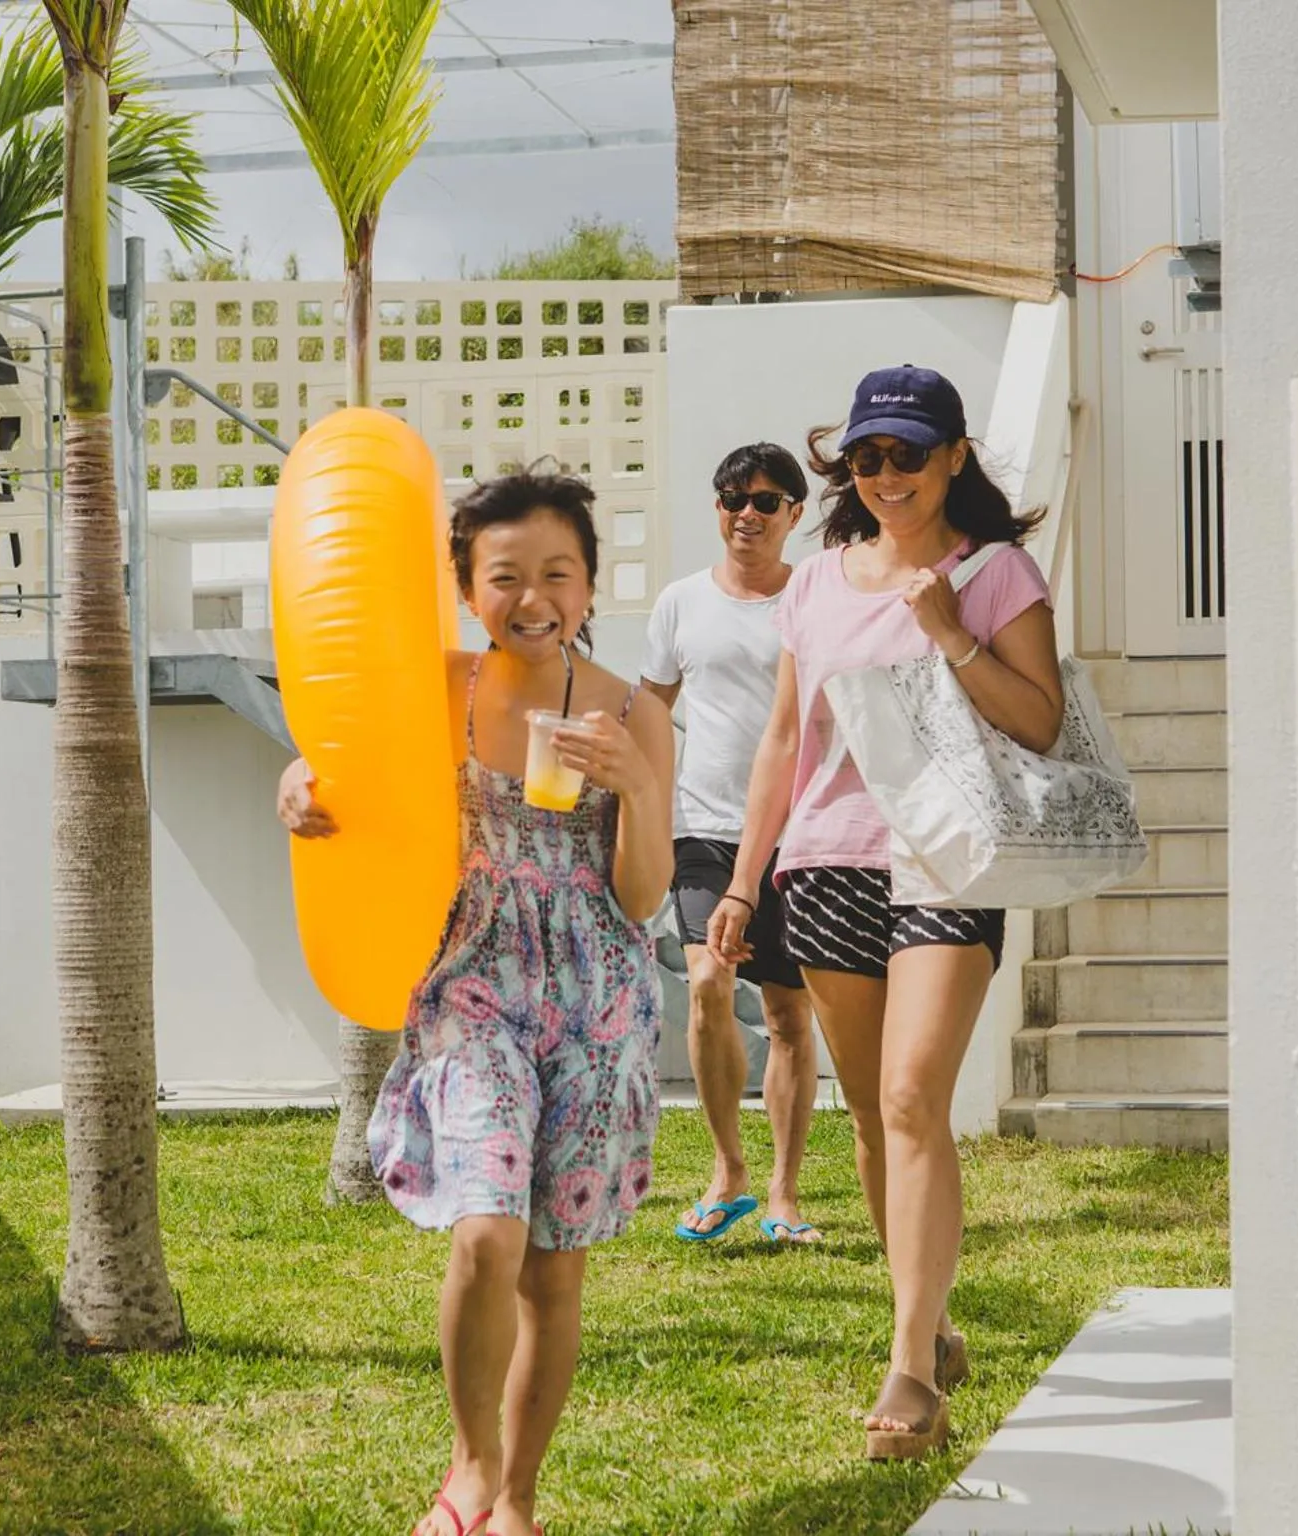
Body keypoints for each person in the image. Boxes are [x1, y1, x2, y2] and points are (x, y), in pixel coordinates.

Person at [275, 470, 674, 1536]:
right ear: (466, 588)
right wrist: (300, 777)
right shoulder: (438, 688)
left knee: (552, 1270)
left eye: (557, 573)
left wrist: (634, 783)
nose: (532, 597)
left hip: (597, 999)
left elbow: (639, 898)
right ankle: (469, 1465)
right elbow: (347, 766)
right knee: (486, 1233)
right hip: (473, 989)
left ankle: (519, 1503)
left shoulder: (632, 710)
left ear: (588, 584)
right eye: (504, 577)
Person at [709, 366, 1063, 1461]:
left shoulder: (995, 573)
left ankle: (909, 1369)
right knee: (869, 1117)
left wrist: (951, 630)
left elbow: (1041, 724)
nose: (884, 476)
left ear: (954, 456)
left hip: (948, 864)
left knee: (913, 1097)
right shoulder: (813, 585)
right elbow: (782, 742)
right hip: (823, 867)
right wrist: (738, 880)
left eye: (907, 454)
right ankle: (934, 1320)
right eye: (865, 458)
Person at [639, 443, 824, 1246]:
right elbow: (650, 710)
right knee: (708, 979)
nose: (744, 512)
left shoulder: (813, 601)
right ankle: (728, 1172)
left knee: (787, 1014)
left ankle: (783, 1193)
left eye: (765, 500)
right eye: (730, 498)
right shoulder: (681, 602)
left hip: (801, 834)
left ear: (795, 513)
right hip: (703, 831)